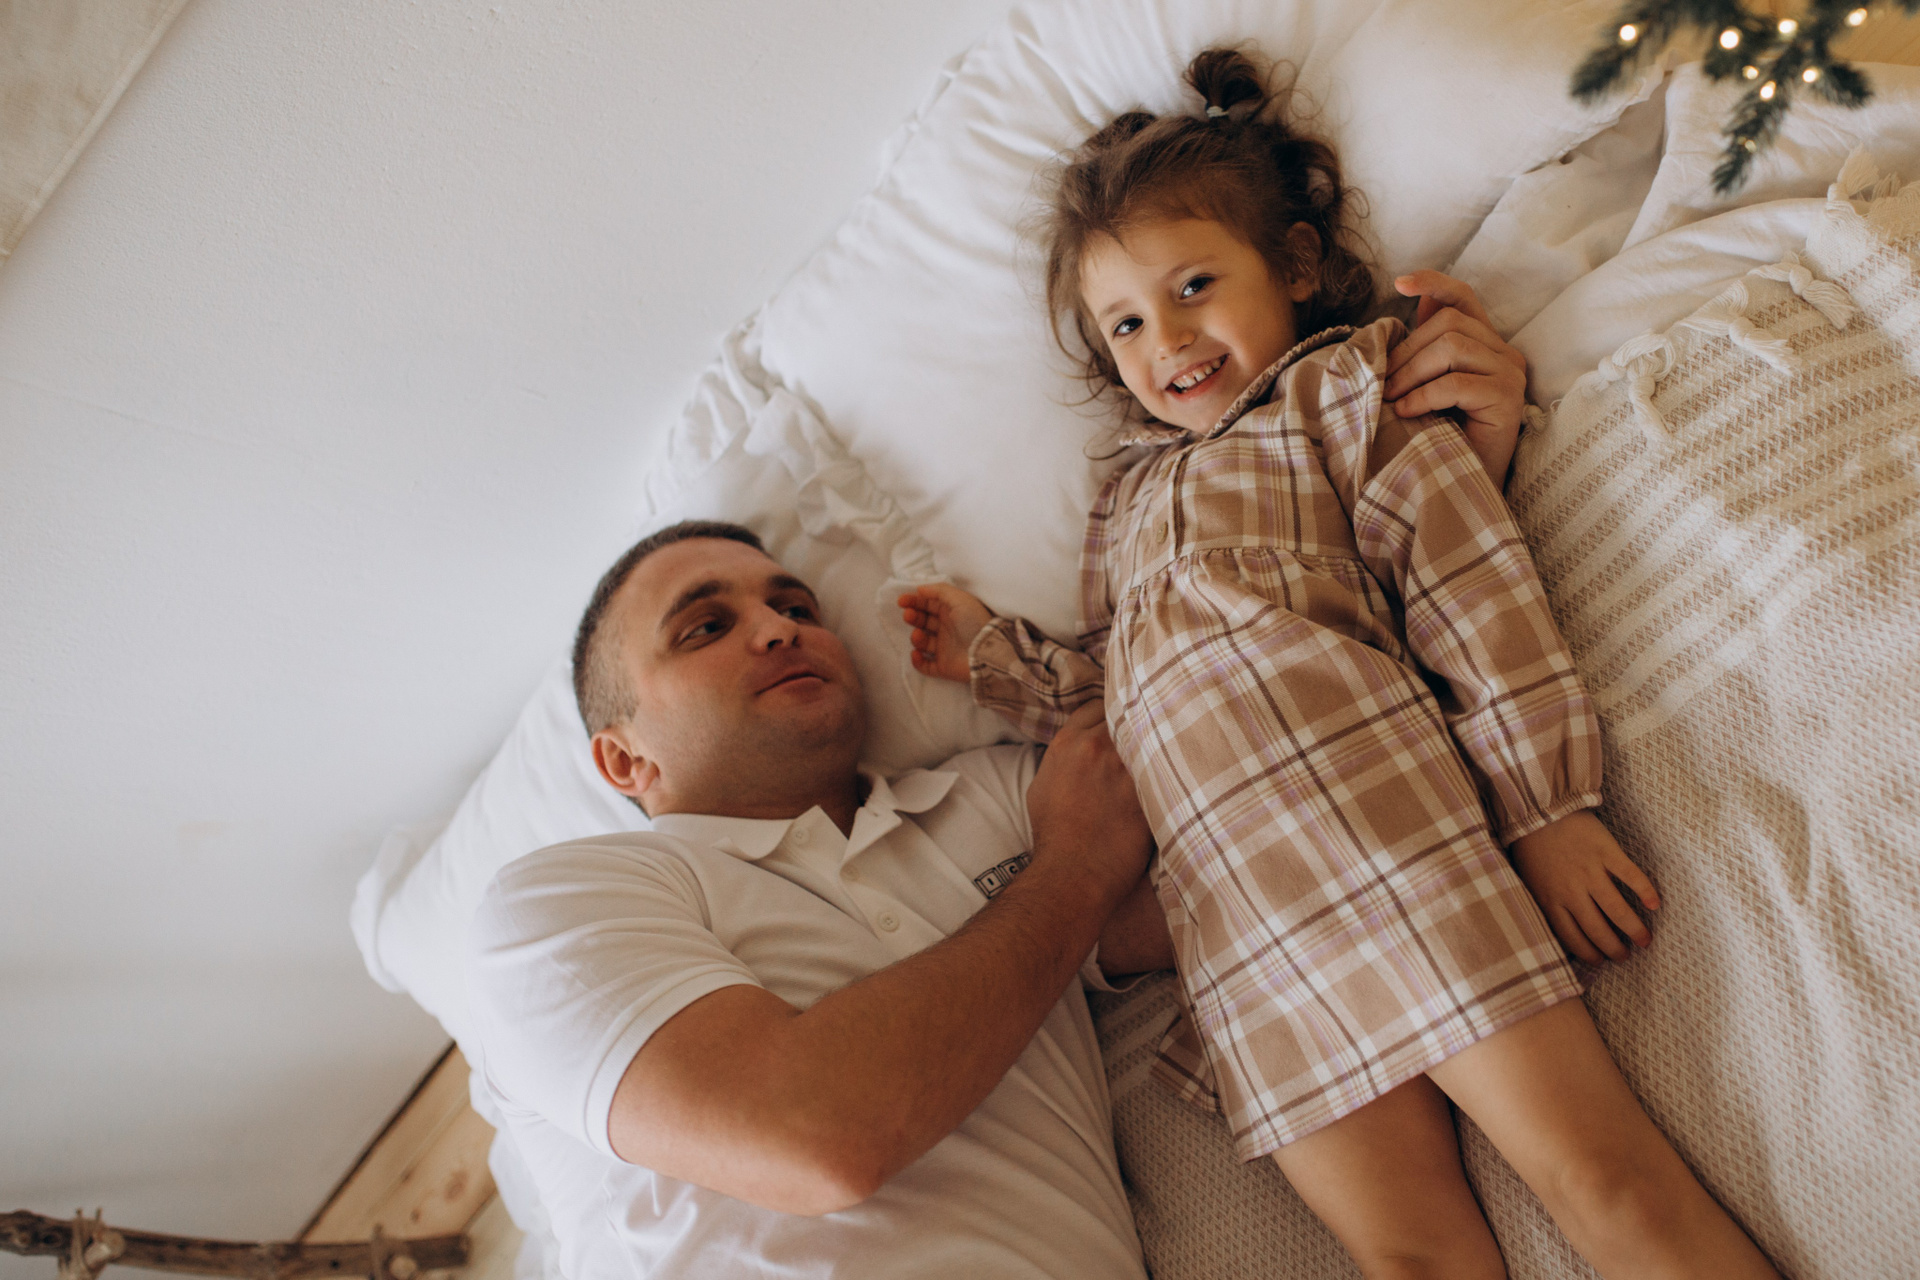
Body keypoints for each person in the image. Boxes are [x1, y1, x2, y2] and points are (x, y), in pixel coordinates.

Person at [896, 48, 1782, 1280]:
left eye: (1195, 285)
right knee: (1413, 1259)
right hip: (1240, 940)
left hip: (1381, 845)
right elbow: (1123, 699)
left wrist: (1548, 809)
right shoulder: (1124, 507)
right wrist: (997, 655)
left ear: (1298, 265)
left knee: (1603, 1178)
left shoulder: (1344, 394)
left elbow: (1473, 590)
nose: (1168, 338)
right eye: (1127, 324)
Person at [466, 520, 1168, 1278]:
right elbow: (813, 1136)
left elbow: (1215, 893)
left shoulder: (996, 795)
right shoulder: (555, 905)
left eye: (797, 608)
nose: (779, 630)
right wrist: (1073, 873)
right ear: (624, 757)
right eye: (706, 627)